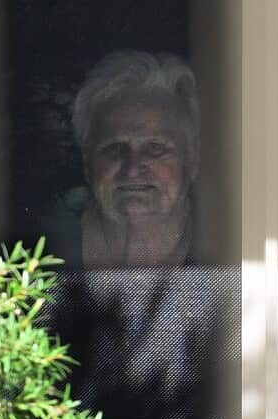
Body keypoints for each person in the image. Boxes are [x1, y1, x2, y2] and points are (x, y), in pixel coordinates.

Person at [42, 51, 200, 268]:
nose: (132, 169)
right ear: (87, 162)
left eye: (155, 148)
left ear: (191, 161)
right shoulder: (38, 252)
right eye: (114, 149)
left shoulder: (230, 249)